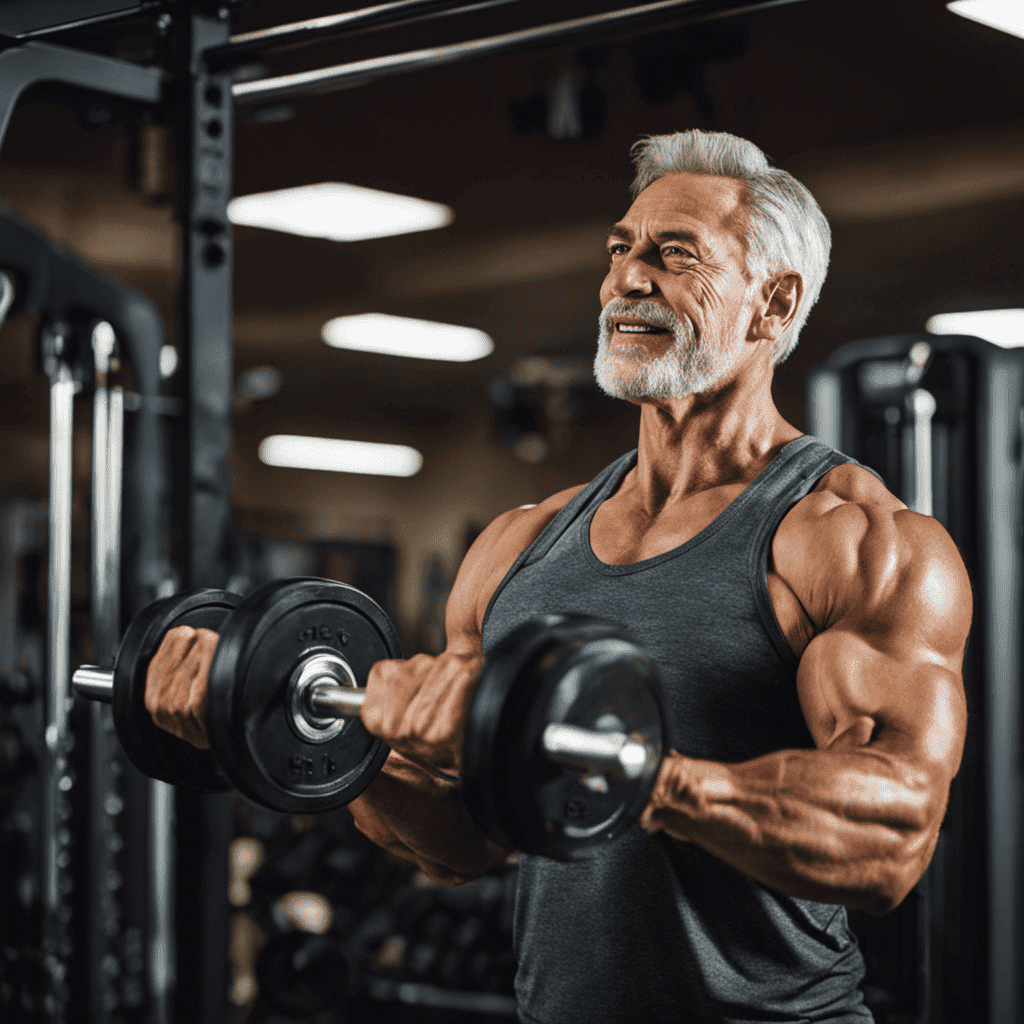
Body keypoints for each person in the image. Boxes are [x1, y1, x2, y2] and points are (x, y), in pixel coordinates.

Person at [146, 130, 971, 1023]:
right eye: (619, 250)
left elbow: (891, 836)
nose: (626, 279)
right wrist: (304, 730)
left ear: (773, 302)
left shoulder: (855, 540)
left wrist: (636, 778)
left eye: (673, 255)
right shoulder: (519, 546)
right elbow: (465, 843)